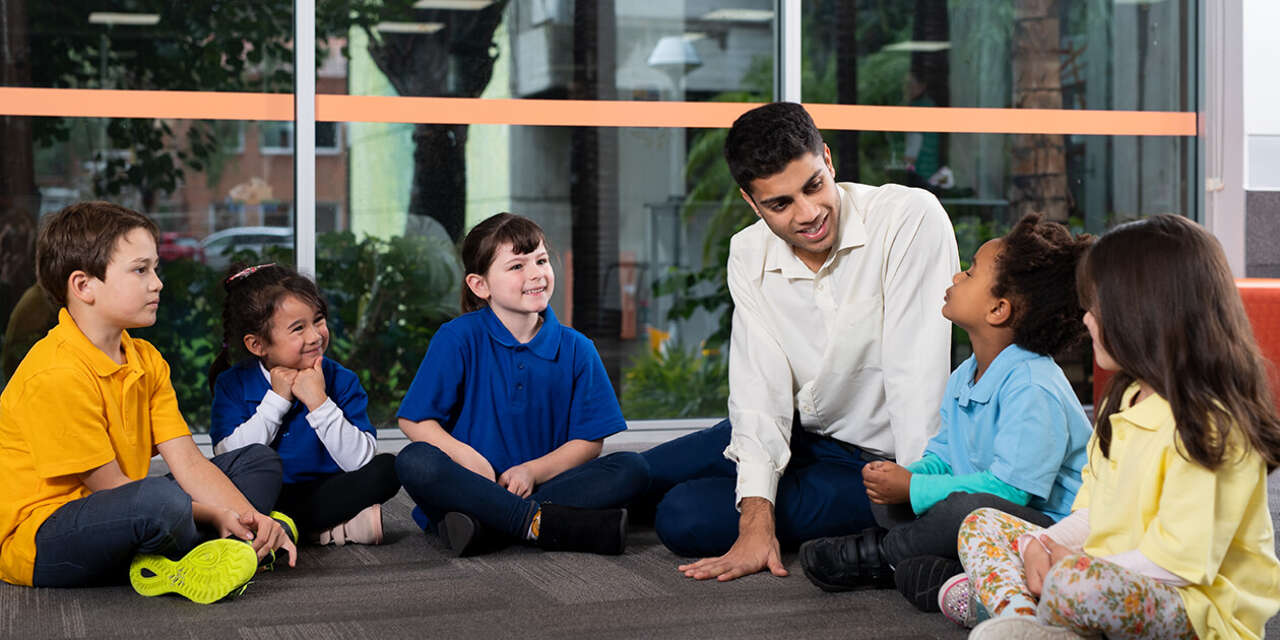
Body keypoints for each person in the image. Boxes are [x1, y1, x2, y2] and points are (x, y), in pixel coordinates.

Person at [638, 101, 960, 582]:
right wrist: (755, 514)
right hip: (803, 436)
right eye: (780, 204)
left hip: (875, 466)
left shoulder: (908, 218)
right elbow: (759, 389)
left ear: (828, 161)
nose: (809, 215)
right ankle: (515, 512)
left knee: (682, 514)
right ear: (752, 202)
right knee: (634, 473)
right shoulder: (748, 252)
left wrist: (919, 504)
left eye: (814, 186)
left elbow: (916, 378)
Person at [959, 214, 1280, 639]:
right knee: (981, 523)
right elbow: (1093, 514)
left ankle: (1017, 607)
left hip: (1196, 609)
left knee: (1072, 584)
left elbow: (1175, 565)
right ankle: (1025, 617)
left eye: (1096, 307)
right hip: (1105, 570)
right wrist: (1041, 546)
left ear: (1142, 314)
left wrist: (1066, 569)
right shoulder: (1124, 403)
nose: (1087, 319)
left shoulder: (1211, 427)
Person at [797, 214, 1094, 623]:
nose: (957, 276)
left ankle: (883, 557)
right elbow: (945, 453)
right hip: (985, 509)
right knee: (890, 497)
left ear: (998, 309)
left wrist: (915, 488)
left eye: (970, 272)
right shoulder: (966, 375)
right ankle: (942, 570)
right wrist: (908, 477)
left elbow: (1009, 493)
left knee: (964, 510)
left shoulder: (1033, 388)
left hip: (1047, 527)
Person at [0, 201, 296, 604]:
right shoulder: (55, 373)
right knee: (158, 501)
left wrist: (252, 519)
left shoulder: (146, 360)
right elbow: (113, 490)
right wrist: (215, 512)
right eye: (141, 270)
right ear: (84, 286)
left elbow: (187, 461)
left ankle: (225, 544)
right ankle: (201, 545)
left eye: (154, 269)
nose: (157, 283)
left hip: (126, 508)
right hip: (43, 538)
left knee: (256, 460)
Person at [395, 212, 648, 556]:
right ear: (479, 285)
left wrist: (531, 471)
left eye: (541, 260)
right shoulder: (457, 338)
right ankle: (536, 523)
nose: (535, 274)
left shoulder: (578, 349)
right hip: (469, 484)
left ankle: (488, 527)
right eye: (516, 266)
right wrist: (468, 459)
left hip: (543, 485)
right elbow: (414, 420)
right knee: (415, 461)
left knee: (631, 468)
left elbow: (589, 442)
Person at [208, 263, 400, 547]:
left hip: (326, 488)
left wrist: (318, 402)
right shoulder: (233, 383)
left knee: (388, 469)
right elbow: (228, 456)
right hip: (262, 494)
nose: (315, 336)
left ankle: (285, 528)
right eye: (298, 328)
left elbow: (359, 461)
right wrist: (277, 401)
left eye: (318, 320)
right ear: (257, 345)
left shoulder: (342, 380)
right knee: (210, 488)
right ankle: (327, 529)